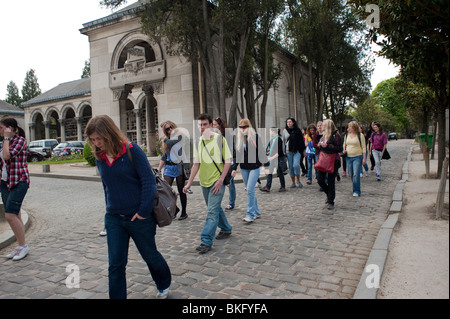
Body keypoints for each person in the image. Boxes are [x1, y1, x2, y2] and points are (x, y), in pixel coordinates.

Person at [85, 115, 171, 299]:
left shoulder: (132, 150)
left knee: (150, 256)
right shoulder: (99, 157)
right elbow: (106, 186)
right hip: (114, 218)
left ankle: (164, 282)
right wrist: (109, 211)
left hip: (139, 217)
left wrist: (142, 212)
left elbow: (148, 181)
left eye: (99, 138)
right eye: (92, 140)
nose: (96, 143)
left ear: (109, 134)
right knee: (115, 264)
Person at [183, 114, 233, 254]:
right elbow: (196, 164)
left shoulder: (219, 140)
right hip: (204, 183)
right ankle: (226, 228)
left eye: (205, 124)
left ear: (211, 125)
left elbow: (228, 161)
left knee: (211, 212)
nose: (202, 127)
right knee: (215, 208)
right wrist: (189, 183)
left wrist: (221, 180)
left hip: (217, 182)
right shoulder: (199, 141)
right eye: (200, 125)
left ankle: (206, 241)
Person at [0, 118, 30, 261]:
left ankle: (23, 246)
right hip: (5, 183)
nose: (0, 130)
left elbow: (7, 156)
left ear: (9, 128)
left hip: (19, 181)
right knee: (15, 214)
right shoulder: (5, 143)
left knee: (9, 215)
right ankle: (20, 246)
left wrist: (6, 138)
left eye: (1, 128)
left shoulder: (19, 141)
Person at [231, 119, 267, 223]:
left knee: (250, 190)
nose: (243, 129)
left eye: (245, 127)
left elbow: (261, 151)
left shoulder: (255, 137)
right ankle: (257, 212)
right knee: (249, 191)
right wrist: (234, 169)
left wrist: (267, 167)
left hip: (255, 167)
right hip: (244, 168)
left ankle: (250, 214)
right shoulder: (239, 139)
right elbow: (237, 156)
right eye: (241, 127)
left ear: (249, 127)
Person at [157, 121, 188, 220]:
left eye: (171, 127)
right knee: (166, 190)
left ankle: (184, 212)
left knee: (181, 190)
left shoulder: (179, 137)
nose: (170, 130)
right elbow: (164, 156)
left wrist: (165, 138)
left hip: (178, 167)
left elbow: (170, 144)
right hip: (169, 168)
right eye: (167, 129)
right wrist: (159, 169)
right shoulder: (167, 140)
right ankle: (175, 209)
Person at [316, 119, 342, 210]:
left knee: (331, 182)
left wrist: (328, 146)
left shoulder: (336, 135)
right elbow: (320, 148)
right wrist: (319, 145)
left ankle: (331, 201)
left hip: (333, 160)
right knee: (320, 180)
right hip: (323, 160)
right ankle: (328, 193)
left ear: (327, 126)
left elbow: (339, 148)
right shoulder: (323, 136)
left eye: (323, 125)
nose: (321, 126)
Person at [213, 117, 236, 211]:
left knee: (230, 183)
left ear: (220, 125)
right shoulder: (213, 135)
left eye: (215, 124)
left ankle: (231, 202)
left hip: (227, 162)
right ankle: (217, 203)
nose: (213, 126)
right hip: (218, 163)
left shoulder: (227, 135)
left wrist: (233, 165)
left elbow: (232, 150)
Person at [343, 121, 366, 197]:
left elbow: (363, 147)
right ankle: (355, 187)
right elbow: (344, 144)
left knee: (356, 174)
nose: (348, 128)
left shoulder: (360, 135)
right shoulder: (347, 135)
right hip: (348, 157)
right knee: (351, 174)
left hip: (357, 156)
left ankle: (357, 190)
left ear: (354, 128)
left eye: (350, 127)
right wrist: (344, 150)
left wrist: (364, 158)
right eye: (348, 127)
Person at [260, 127, 286, 192]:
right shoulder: (272, 139)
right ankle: (267, 187)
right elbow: (272, 149)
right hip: (272, 159)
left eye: (270, 131)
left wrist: (271, 157)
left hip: (278, 159)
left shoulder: (279, 140)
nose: (269, 132)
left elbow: (279, 152)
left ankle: (283, 186)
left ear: (273, 132)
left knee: (280, 173)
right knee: (269, 172)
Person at [282, 117, 305, 188]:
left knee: (296, 165)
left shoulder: (298, 130)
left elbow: (301, 141)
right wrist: (283, 152)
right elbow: (283, 141)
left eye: (290, 122)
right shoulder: (285, 131)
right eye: (287, 122)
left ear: (293, 122)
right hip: (288, 152)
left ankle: (298, 180)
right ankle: (293, 182)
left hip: (297, 151)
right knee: (291, 167)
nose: (289, 123)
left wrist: (303, 151)